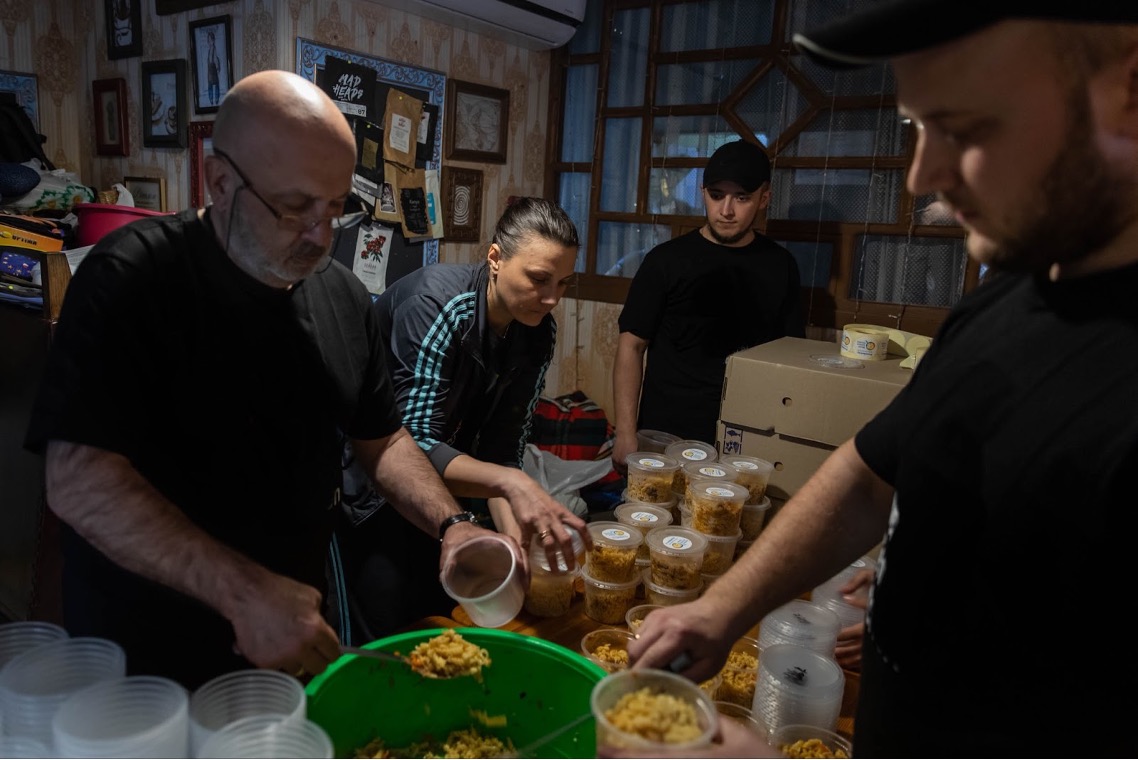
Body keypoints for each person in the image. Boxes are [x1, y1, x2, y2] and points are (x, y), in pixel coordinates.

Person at [620, 4, 1138, 757]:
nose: (922, 174)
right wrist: (724, 606)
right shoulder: (1007, 298)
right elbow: (869, 474)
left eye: (963, 127)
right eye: (915, 127)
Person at [24, 70, 513, 690]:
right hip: (150, 658)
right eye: (296, 208)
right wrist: (245, 593)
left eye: (337, 208)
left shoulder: (342, 297)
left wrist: (452, 525)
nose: (321, 236)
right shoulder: (131, 278)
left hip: (292, 642)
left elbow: (383, 442)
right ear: (221, 181)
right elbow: (78, 482)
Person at [335, 198, 592, 642]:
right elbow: (413, 441)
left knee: (450, 622)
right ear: (495, 259)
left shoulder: (536, 330)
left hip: (454, 498)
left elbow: (501, 449)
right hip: (380, 493)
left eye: (564, 284)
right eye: (539, 279)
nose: (552, 299)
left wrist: (514, 540)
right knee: (395, 631)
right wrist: (514, 486)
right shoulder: (436, 304)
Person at [611, 140, 804, 470]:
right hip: (666, 434)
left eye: (741, 198)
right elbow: (631, 345)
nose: (726, 210)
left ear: (764, 198)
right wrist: (625, 431)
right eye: (716, 195)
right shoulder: (665, 261)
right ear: (703, 193)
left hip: (747, 433)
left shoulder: (781, 266)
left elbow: (790, 359)